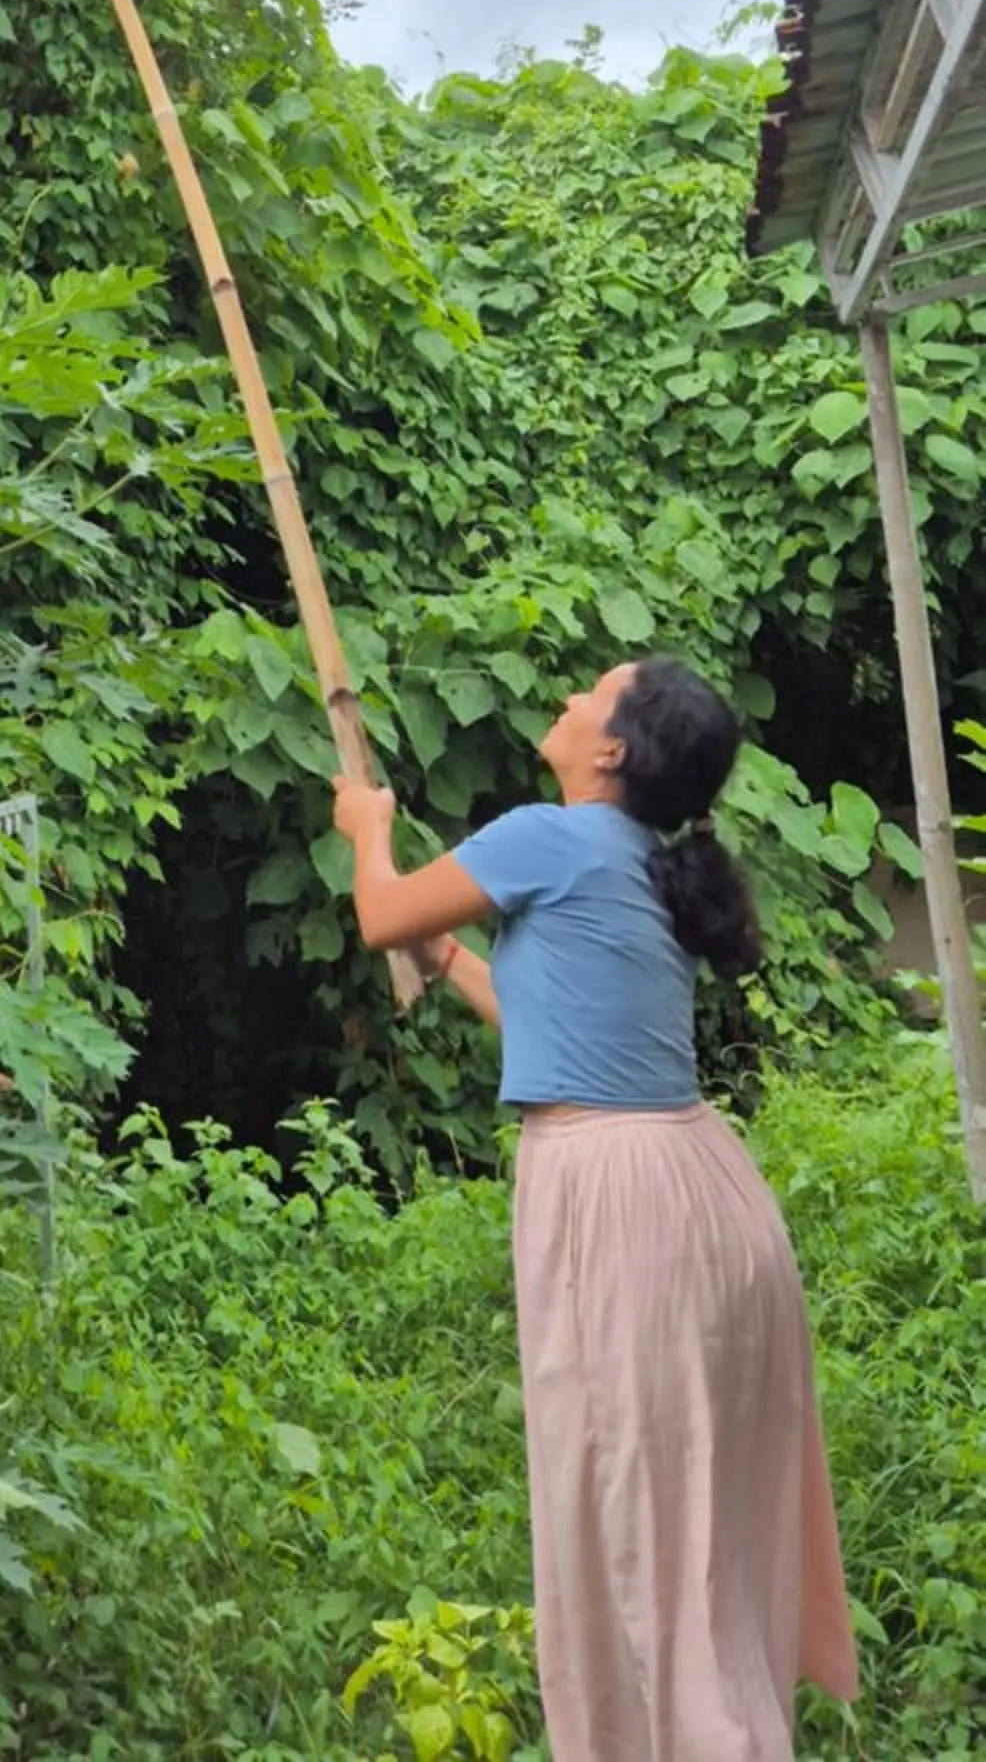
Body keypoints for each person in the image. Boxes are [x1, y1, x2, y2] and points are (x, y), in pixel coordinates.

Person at [333, 654, 859, 1762]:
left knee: (632, 1513)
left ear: (613, 747)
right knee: (691, 1518)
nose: (568, 701)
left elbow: (379, 913)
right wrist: (451, 953)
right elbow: (553, 1025)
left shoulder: (549, 836)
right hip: (701, 1190)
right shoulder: (634, 861)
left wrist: (365, 828)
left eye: (591, 694)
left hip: (622, 1203)